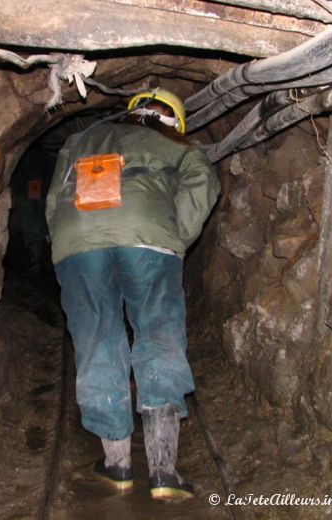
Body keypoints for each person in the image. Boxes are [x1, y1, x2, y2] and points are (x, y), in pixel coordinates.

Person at [45, 88, 220, 500]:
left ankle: (117, 462)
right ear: (174, 120)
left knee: (98, 340)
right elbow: (203, 181)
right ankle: (163, 470)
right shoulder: (179, 144)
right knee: (158, 336)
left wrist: (66, 241)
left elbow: (55, 199)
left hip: (79, 240)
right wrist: (176, 235)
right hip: (148, 239)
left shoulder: (80, 139)